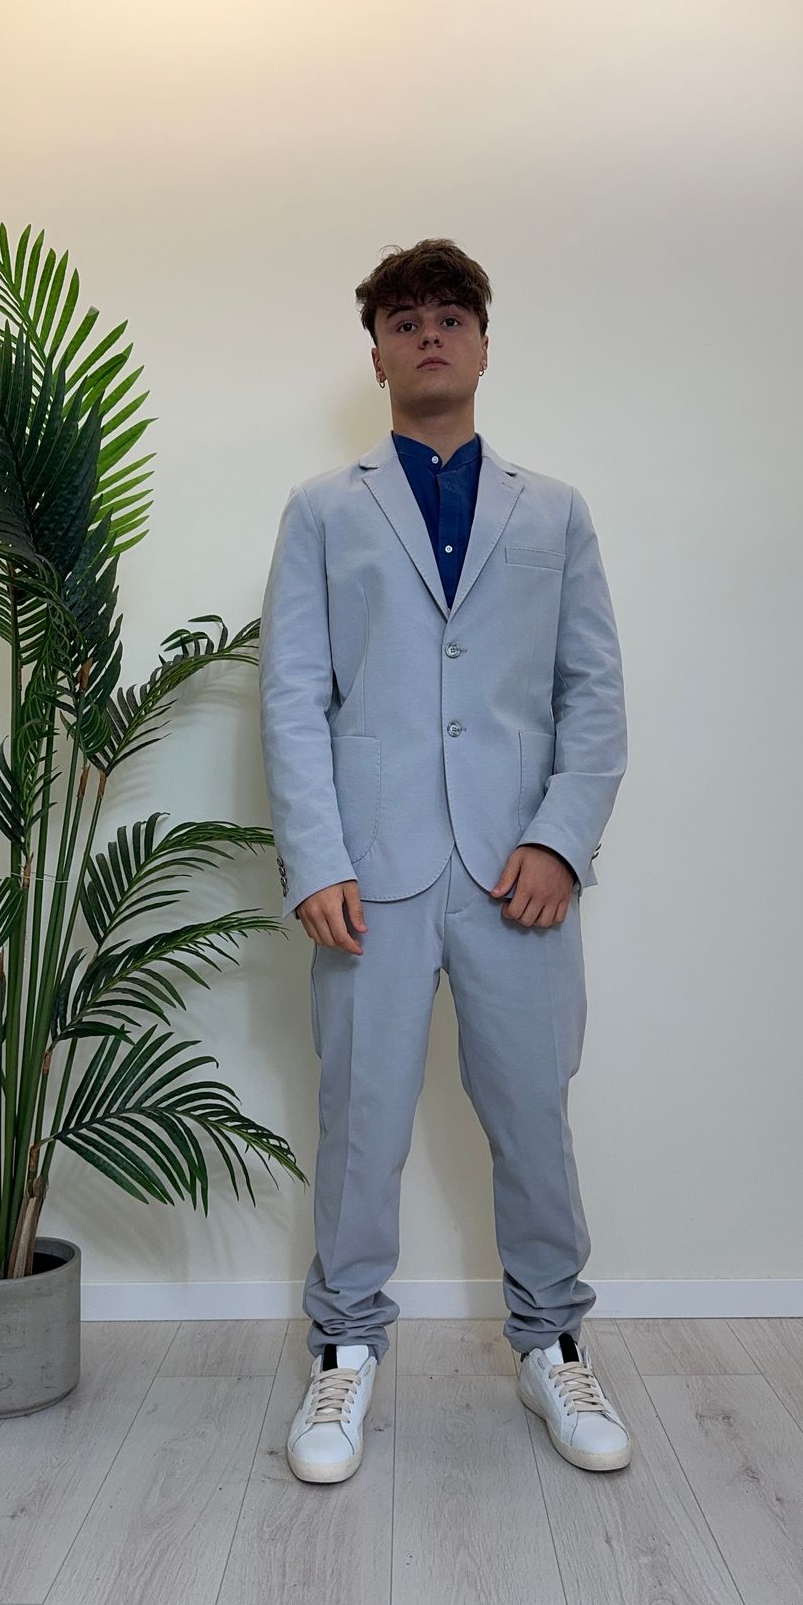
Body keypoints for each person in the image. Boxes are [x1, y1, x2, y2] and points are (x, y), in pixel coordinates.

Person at [258, 238, 631, 1484]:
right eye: (405, 318)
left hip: (517, 874)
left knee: (531, 1115)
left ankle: (552, 1342)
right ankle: (342, 1350)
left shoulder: (553, 511)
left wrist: (559, 841)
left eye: (451, 314)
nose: (429, 333)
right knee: (359, 1120)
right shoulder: (323, 509)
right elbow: (292, 695)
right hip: (368, 874)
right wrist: (315, 856)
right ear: (375, 354)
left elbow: (592, 698)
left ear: (482, 343)